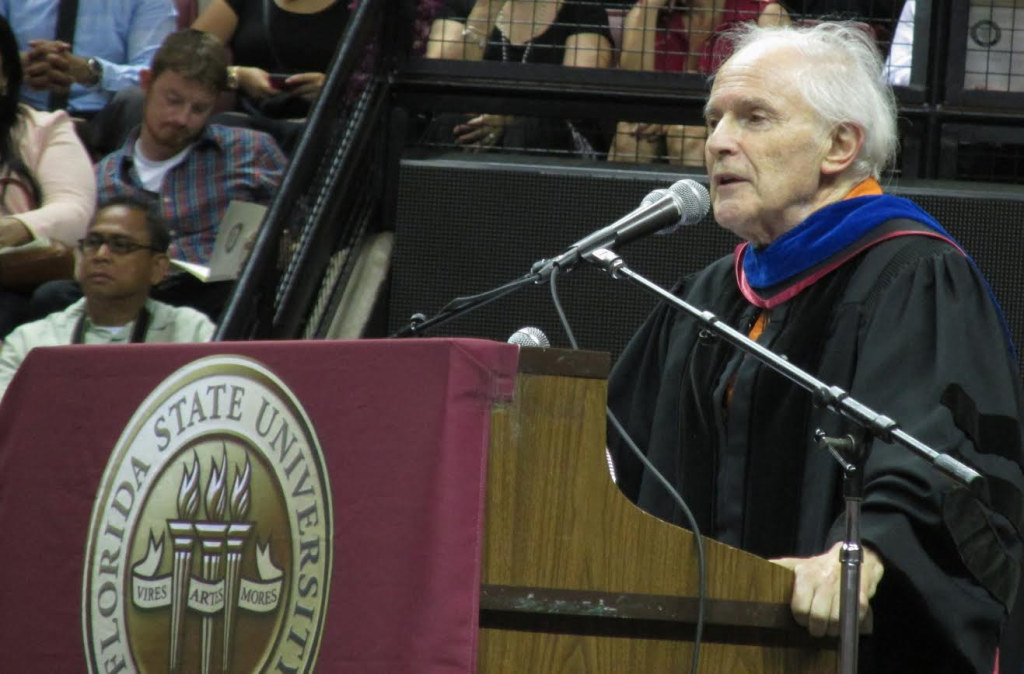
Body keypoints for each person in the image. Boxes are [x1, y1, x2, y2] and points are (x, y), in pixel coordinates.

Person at [606, 21, 1024, 674]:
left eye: (753, 117)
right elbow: (614, 454)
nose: (718, 143)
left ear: (840, 144)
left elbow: (941, 451)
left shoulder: (914, 276)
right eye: (714, 119)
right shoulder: (712, 295)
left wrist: (866, 553)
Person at [31, 28, 288, 323]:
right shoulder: (103, 178)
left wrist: (275, 244)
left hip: (215, 297)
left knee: (234, 292)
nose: (182, 119)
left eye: (199, 108)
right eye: (174, 100)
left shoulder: (251, 151)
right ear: (147, 84)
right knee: (55, 296)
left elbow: (301, 233)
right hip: (130, 301)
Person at [0, 195, 214, 401]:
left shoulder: (191, 332)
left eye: (121, 245)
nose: (101, 255)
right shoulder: (31, 342)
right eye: (93, 242)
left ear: (157, 267)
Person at [0, 14, 95, 337]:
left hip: (15, 282)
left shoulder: (45, 129)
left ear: (4, 76)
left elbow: (76, 212)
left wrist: (18, 228)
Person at [608, 0, 789, 165]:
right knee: (629, 136)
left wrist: (677, 115)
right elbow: (634, 87)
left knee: (686, 136)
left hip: (733, 121)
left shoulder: (764, 16)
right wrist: (650, 9)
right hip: (657, 118)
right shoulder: (645, 12)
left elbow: (772, 95)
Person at [424, 0, 613, 156]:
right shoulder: (463, 4)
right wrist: (485, 11)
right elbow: (440, 80)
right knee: (453, 123)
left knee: (529, 129)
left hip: (555, 131)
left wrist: (509, 113)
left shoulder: (582, 8)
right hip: (477, 116)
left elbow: (579, 89)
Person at [0, 0, 178, 157]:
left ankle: (127, 181)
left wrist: (92, 72)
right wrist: (16, 65)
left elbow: (158, 74)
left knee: (140, 98)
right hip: (19, 111)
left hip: (106, 119)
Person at [192, 0, 349, 153]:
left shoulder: (360, 8)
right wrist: (236, 76)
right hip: (250, 127)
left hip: (324, 130)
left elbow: (370, 83)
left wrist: (333, 87)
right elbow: (183, 62)